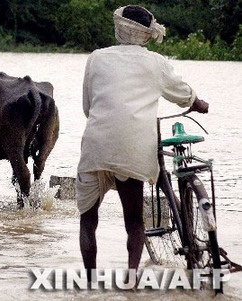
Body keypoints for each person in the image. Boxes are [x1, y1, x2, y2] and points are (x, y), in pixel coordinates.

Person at [76, 5, 209, 280]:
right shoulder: (155, 63)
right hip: (133, 147)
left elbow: (88, 108)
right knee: (134, 222)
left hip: (95, 145)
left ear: (119, 29)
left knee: (88, 220)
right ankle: (132, 281)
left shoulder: (97, 58)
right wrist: (199, 103)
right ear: (147, 35)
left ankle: (88, 283)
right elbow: (183, 93)